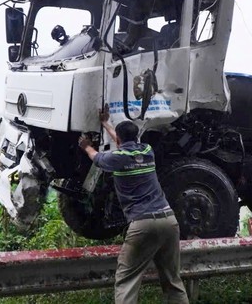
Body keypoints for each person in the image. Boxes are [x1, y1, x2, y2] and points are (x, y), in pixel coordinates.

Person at [78, 105, 188, 304]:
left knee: (127, 279)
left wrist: (86, 146)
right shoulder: (147, 151)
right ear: (136, 137)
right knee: (172, 279)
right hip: (169, 221)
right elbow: (123, 143)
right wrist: (106, 124)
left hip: (143, 224)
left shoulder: (116, 159)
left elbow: (97, 158)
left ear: (118, 139)